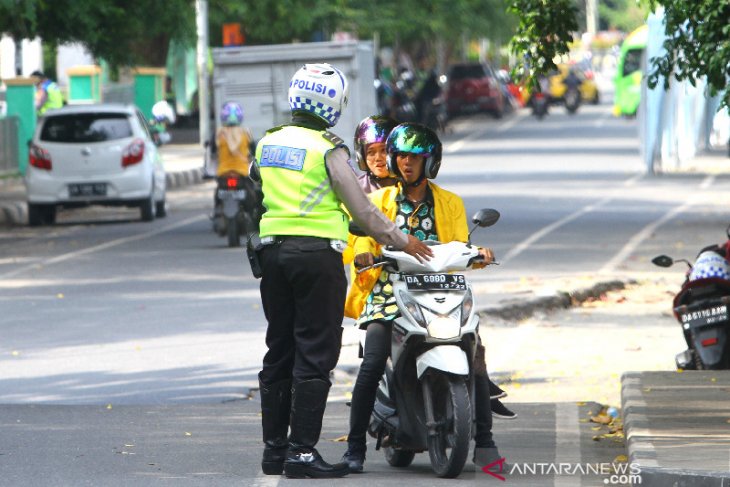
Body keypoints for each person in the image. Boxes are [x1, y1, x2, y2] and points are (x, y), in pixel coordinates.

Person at [252, 63, 433, 479]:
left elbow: (257, 192)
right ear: (332, 105)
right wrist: (403, 240)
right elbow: (363, 210)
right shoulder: (327, 149)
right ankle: (302, 451)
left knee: (279, 348)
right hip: (315, 258)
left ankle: (274, 450)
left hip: (273, 257)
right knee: (316, 351)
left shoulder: (268, 143)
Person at [341, 122, 505, 473]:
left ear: (431, 161)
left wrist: (478, 254)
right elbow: (361, 239)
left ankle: (486, 441)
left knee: (475, 351)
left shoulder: (450, 203)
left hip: (439, 289)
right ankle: (354, 446)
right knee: (372, 359)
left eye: (414, 157)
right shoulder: (378, 202)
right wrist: (364, 254)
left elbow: (459, 246)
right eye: (400, 157)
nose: (405, 164)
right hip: (390, 288)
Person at [212, 101, 259, 234]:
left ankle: (217, 213)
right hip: (242, 173)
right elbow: (255, 150)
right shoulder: (245, 133)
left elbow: (212, 152)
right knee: (253, 196)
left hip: (224, 173)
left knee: (217, 196)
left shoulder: (219, 134)